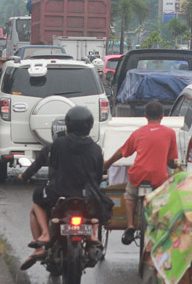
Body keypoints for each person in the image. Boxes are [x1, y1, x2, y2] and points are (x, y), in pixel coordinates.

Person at [22, 106, 105, 269]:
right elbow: (98, 175)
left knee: (37, 201)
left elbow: (52, 167)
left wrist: (23, 177)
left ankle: (45, 235)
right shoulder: (96, 148)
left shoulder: (57, 145)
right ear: (90, 126)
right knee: (98, 202)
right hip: (87, 195)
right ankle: (93, 234)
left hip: (60, 192)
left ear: (68, 125)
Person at [102, 100, 179, 245]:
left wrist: (108, 163)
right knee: (163, 198)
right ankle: (159, 222)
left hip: (138, 175)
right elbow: (170, 161)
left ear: (145, 116)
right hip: (159, 178)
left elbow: (122, 152)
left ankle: (130, 224)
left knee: (130, 194)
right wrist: (173, 164)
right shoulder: (170, 133)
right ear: (162, 116)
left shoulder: (138, 133)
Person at [19, 117, 66, 246]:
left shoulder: (50, 150)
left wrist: (23, 177)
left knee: (37, 204)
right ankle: (93, 238)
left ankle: (44, 235)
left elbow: (35, 166)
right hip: (81, 191)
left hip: (56, 191)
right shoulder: (85, 147)